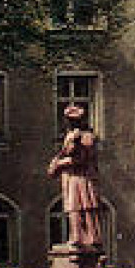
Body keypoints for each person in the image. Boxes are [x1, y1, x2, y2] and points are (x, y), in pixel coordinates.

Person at [49, 103, 102, 246]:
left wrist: (61, 163)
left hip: (81, 176)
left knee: (83, 206)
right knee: (73, 206)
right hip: (71, 176)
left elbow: (81, 159)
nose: (71, 123)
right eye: (69, 120)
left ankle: (89, 236)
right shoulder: (71, 135)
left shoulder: (86, 136)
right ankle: (77, 235)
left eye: (74, 120)